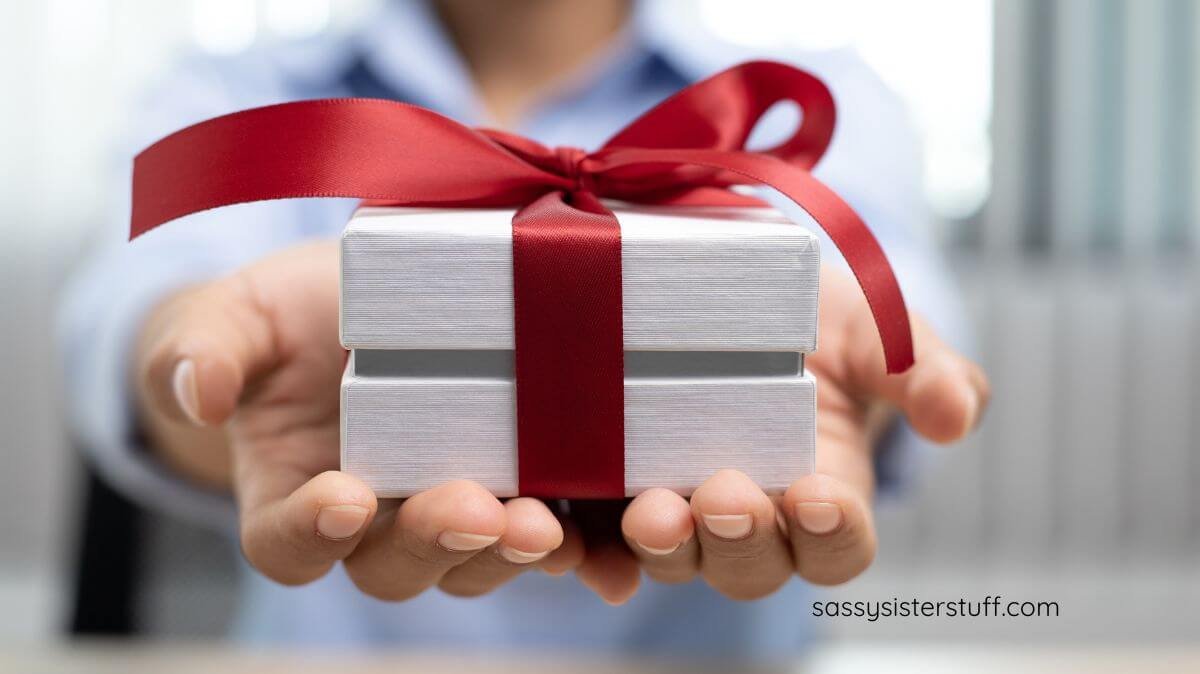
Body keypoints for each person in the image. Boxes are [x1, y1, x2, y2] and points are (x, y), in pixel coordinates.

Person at [60, 0, 988, 659]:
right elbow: (139, 311)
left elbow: (894, 318)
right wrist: (202, 372)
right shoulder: (238, 83)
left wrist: (859, 392)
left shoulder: (801, 102)